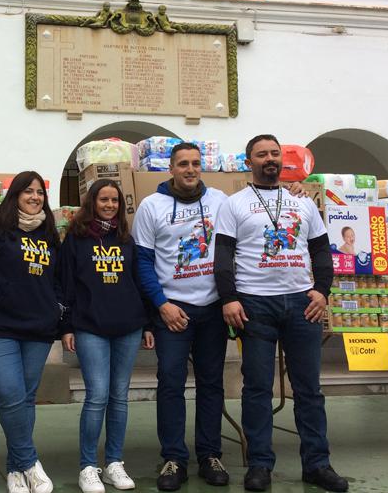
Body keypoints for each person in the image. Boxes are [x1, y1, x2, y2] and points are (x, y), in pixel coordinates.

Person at [214, 134, 348, 493]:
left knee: (309, 389)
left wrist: (322, 290)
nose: (269, 159)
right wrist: (229, 298)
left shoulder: (301, 203)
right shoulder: (234, 204)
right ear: (250, 162)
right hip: (255, 304)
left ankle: (317, 464)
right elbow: (223, 255)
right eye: (262, 154)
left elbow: (321, 251)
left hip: (302, 304)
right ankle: (259, 465)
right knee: (257, 388)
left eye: (275, 153)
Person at [132, 142, 231, 490]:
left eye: (195, 164)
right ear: (171, 169)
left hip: (213, 309)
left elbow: (253, 214)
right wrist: (161, 304)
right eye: (183, 164)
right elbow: (142, 260)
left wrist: (292, 189)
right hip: (172, 310)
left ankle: (209, 454)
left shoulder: (220, 201)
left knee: (210, 383)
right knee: (171, 383)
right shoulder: (152, 206)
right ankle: (173, 458)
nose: (190, 169)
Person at [0, 171, 61, 493]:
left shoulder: (49, 234)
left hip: (39, 328)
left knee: (25, 399)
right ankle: (30, 461)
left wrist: (56, 311)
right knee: (9, 395)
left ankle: (15, 469)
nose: (35, 197)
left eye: (39, 193)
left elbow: (57, 280)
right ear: (15, 195)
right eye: (28, 192)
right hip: (0, 327)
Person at [59, 178, 153, 493]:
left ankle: (114, 463)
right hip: (90, 327)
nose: (110, 206)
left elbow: (139, 282)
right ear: (92, 203)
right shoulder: (76, 238)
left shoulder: (127, 239)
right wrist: (67, 326)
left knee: (119, 397)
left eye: (114, 201)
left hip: (128, 326)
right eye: (104, 200)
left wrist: (148, 324)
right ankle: (88, 466)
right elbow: (66, 285)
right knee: (97, 396)